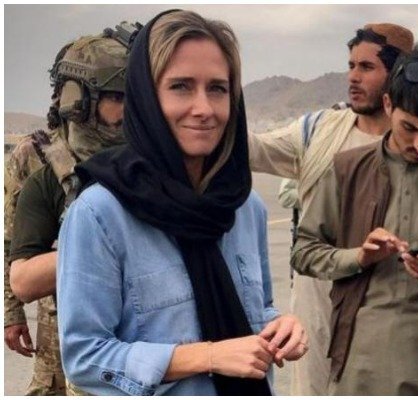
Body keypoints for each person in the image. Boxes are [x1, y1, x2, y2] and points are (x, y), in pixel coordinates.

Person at [56, 10, 306, 395]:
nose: (203, 109)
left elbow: (255, 309)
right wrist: (207, 356)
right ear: (146, 97)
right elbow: (83, 356)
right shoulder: (100, 213)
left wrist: (279, 326)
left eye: (218, 88)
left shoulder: (244, 208)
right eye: (181, 87)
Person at [292, 46, 418, 395]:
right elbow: (304, 252)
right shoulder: (345, 170)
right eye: (410, 128)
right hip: (360, 356)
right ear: (388, 105)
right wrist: (359, 257)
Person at [248, 22, 414, 395]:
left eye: (366, 67)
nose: (353, 77)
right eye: (351, 66)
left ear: (398, 73)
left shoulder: (415, 142)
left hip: (382, 305)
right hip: (316, 302)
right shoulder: (319, 130)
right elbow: (255, 149)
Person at [6, 25, 134, 395]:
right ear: (78, 99)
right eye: (116, 97)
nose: (128, 110)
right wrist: (12, 314)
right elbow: (12, 242)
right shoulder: (37, 157)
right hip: (57, 317)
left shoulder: (143, 158)